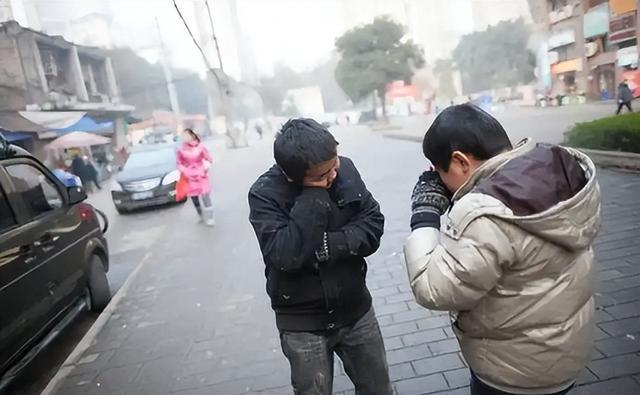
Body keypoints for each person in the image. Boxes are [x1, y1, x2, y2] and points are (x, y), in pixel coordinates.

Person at [404, 104, 601, 395]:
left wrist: (424, 215)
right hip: (564, 352)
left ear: (460, 161)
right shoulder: (555, 167)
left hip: (513, 373)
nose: (438, 179)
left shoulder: (484, 213)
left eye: (438, 171)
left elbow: (433, 288)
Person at [248, 119, 392, 395]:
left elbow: (373, 223)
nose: (333, 176)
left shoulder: (344, 168)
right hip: (302, 323)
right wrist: (314, 192)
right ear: (293, 176)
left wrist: (327, 246)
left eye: (334, 163)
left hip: (356, 310)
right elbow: (286, 256)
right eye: (322, 174)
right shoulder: (265, 194)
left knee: (379, 389)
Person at [177, 128, 215, 226]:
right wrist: (184, 170)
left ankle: (210, 217)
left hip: (201, 174)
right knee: (194, 197)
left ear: (192, 135)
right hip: (189, 175)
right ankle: (200, 214)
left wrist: (205, 167)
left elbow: (209, 159)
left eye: (187, 135)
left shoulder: (200, 147)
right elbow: (179, 163)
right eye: (183, 136)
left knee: (205, 195)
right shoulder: (181, 150)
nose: (185, 137)